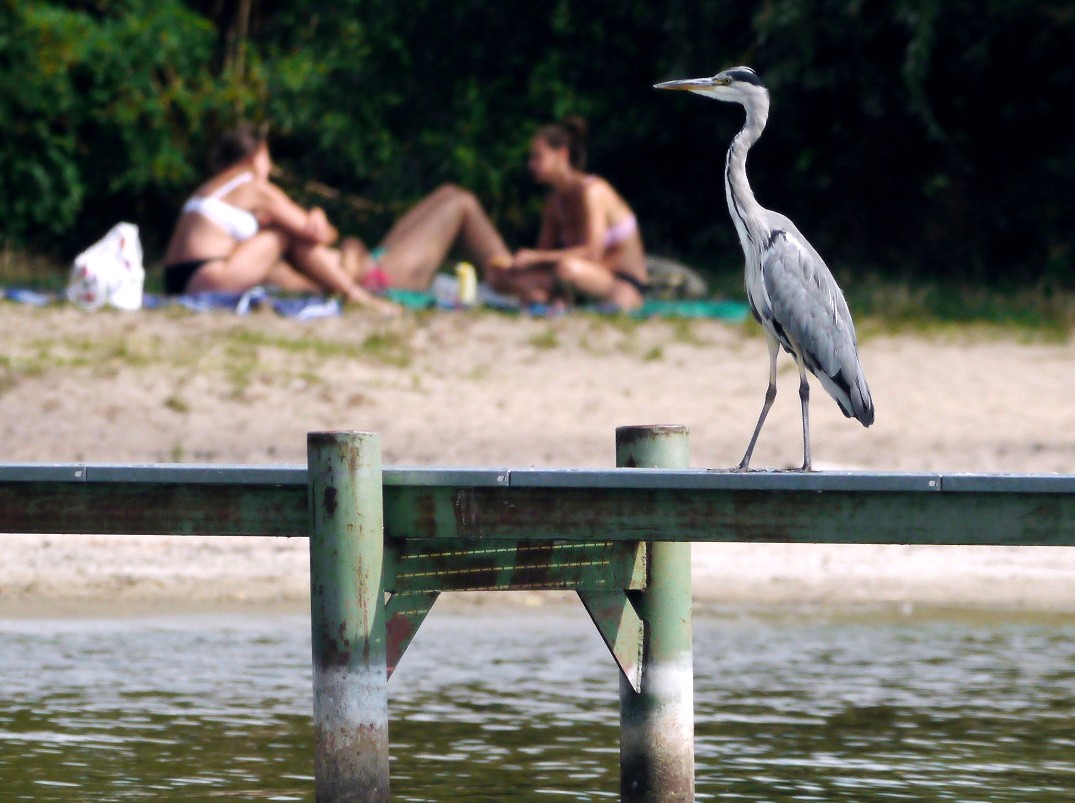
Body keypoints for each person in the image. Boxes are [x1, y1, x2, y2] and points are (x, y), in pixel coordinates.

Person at [163, 125, 512, 310]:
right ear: (256, 156)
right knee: (459, 199)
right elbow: (316, 235)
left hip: (178, 278)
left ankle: (514, 272)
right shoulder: (254, 187)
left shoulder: (209, 192)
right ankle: (513, 276)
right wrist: (321, 223)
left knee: (449, 194)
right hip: (371, 276)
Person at [489, 116, 648, 310]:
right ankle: (546, 297)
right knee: (496, 276)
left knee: (567, 268)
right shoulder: (553, 201)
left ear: (562, 155)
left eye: (538, 156)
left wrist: (536, 258)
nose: (531, 164)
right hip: (574, 274)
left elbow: (592, 252)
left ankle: (549, 297)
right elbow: (544, 252)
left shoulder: (593, 191)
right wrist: (514, 265)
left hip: (620, 282)